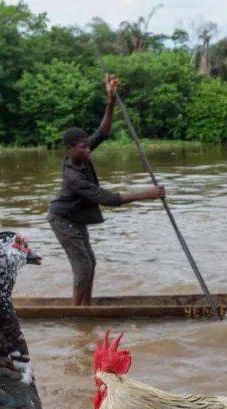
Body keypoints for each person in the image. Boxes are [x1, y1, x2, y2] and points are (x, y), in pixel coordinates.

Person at [48, 74, 165, 306]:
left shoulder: (81, 154)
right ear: (71, 149)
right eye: (83, 147)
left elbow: (103, 131)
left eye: (87, 145)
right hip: (62, 220)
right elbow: (108, 199)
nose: (88, 150)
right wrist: (147, 194)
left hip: (76, 219)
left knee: (91, 263)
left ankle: (87, 307)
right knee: (83, 268)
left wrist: (111, 101)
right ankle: (77, 313)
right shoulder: (73, 176)